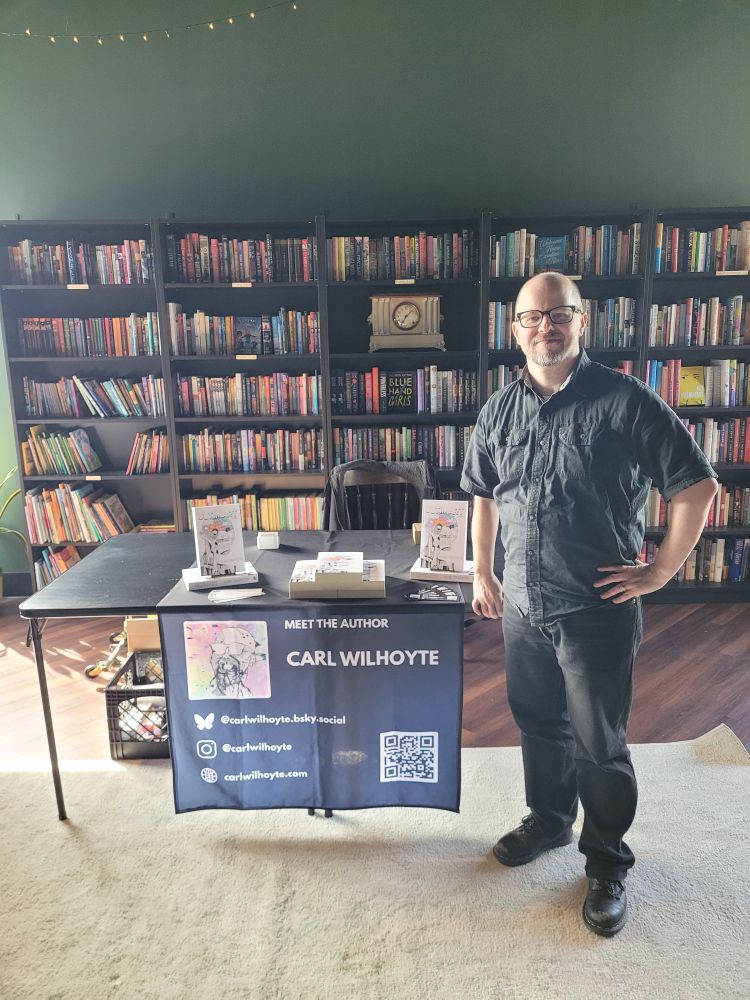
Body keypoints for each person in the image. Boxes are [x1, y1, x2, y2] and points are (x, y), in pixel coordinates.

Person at [460, 272, 718, 936]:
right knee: (538, 724)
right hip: (522, 605)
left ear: (581, 321)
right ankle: (550, 821)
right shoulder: (498, 410)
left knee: (599, 743)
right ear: (515, 329)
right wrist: (483, 570)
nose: (545, 326)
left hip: (596, 608)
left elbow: (695, 486)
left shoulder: (626, 401)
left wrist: (660, 571)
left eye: (558, 314)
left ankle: (606, 862)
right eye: (532, 317)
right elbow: (484, 493)